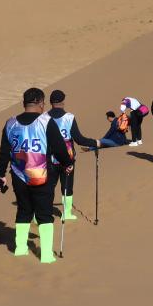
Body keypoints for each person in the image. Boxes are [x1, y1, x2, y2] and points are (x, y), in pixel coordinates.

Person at [0, 87, 73, 264]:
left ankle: (20, 249)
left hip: (18, 175)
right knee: (44, 213)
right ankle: (46, 255)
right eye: (43, 103)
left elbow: (4, 152)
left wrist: (1, 174)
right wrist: (68, 164)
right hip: (42, 174)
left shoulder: (10, 123)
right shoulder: (46, 122)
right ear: (39, 102)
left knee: (24, 210)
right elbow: (60, 148)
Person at [47, 90, 97, 222]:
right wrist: (95, 142)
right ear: (63, 102)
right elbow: (79, 139)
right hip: (67, 158)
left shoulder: (43, 117)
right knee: (67, 185)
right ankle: (66, 213)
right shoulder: (69, 117)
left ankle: (42, 214)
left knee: (48, 186)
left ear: (51, 102)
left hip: (49, 158)